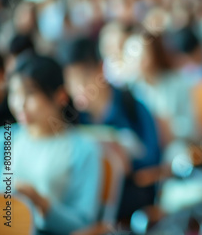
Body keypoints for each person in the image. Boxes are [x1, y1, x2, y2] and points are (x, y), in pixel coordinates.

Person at [58, 36, 162, 223]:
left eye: (84, 78)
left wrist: (130, 163)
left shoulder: (132, 106)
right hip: (87, 199)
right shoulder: (72, 117)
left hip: (130, 198)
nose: (79, 88)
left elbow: (154, 158)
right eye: (71, 82)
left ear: (100, 70)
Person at [0, 54, 102, 234]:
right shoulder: (3, 139)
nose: (19, 104)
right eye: (14, 93)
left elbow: (84, 224)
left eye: (30, 93)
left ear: (60, 96)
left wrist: (39, 202)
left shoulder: (82, 149)